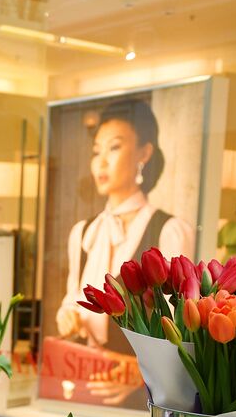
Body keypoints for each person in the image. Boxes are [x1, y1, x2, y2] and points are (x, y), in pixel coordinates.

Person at [55, 99, 194, 347]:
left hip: (142, 382)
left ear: (144, 153)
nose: (102, 161)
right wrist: (68, 316)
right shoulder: (84, 233)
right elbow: (72, 299)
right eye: (96, 151)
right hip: (88, 373)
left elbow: (179, 326)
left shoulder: (169, 232)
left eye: (114, 148)